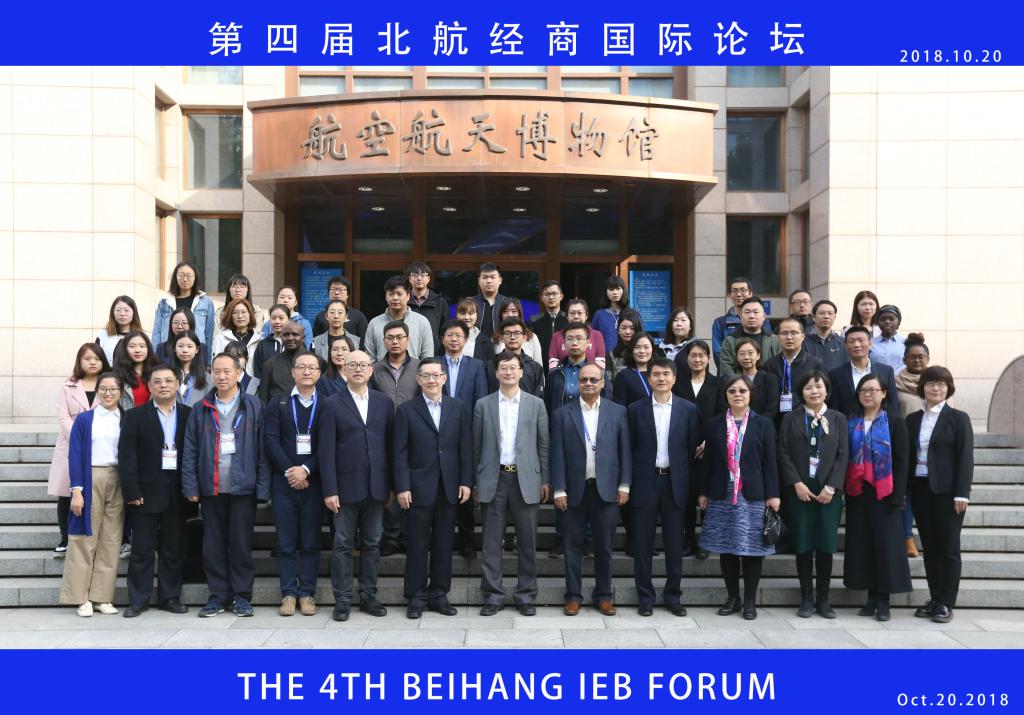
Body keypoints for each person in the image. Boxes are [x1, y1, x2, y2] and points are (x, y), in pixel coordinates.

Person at [182, 352, 270, 618]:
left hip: (243, 487)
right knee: (213, 546)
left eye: (227, 371)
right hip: (212, 488)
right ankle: (218, 596)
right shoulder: (201, 408)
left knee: (241, 545)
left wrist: (262, 488)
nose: (221, 376)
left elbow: (263, 449)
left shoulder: (254, 406)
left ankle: (241, 596)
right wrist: (191, 486)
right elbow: (190, 450)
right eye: (217, 371)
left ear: (238, 373)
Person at [393, 358, 473, 618]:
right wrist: (402, 486)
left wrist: (466, 481)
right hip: (417, 488)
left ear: (444, 378)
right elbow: (400, 453)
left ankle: (439, 594)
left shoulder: (459, 408)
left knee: (443, 543)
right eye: (426, 376)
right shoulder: (406, 410)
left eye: (436, 375)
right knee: (417, 544)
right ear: (418, 379)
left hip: (449, 487)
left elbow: (465, 448)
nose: (431, 380)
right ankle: (416, 596)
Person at [318, 350, 394, 622]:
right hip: (344, 487)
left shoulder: (384, 403)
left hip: (377, 486)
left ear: (371, 370)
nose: (358, 369)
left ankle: (368, 595)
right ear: (345, 370)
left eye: (363, 365)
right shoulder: (331, 404)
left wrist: (392, 485)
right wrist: (330, 489)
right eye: (353, 365)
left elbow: (390, 446)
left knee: (372, 543)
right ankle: (342, 599)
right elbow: (325, 451)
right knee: (342, 544)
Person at [473, 351, 551, 616]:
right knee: (491, 542)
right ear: (496, 373)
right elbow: (476, 446)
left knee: (527, 541)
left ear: (521, 372)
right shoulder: (483, 405)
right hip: (493, 479)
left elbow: (544, 445)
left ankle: (526, 594)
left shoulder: (535, 404)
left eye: (513, 367)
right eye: (503, 368)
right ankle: (493, 595)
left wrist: (545, 480)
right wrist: (475, 480)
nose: (508, 372)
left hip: (525, 479)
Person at [698, 374, 780, 621]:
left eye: (742, 390)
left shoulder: (763, 423)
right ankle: (732, 597)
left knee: (752, 549)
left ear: (750, 394)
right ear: (725, 395)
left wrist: (773, 494)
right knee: (726, 548)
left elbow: (770, 462)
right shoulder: (713, 424)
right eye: (732, 391)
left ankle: (750, 601)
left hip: (752, 494)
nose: (737, 395)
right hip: (721, 493)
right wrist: (702, 491)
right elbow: (707, 462)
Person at [551, 363, 631, 616]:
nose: (588, 383)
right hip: (573, 490)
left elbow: (625, 451)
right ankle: (573, 596)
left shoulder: (617, 412)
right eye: (583, 379)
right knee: (571, 546)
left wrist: (624, 484)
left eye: (593, 380)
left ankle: (603, 596)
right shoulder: (562, 414)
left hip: (606, 490)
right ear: (578, 383)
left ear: (602, 383)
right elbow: (557, 454)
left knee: (604, 546)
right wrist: (559, 489)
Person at [629, 357, 701, 616]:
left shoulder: (688, 409)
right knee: (642, 545)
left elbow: (691, 450)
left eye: (666, 374)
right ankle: (645, 598)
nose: (661, 378)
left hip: (675, 483)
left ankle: (673, 596)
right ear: (649, 379)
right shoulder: (635, 410)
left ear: (674, 378)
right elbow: (630, 447)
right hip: (645, 482)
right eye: (656, 374)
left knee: (674, 544)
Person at [118, 365, 191, 617]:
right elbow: (127, 457)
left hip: (177, 495)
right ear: (149, 386)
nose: (163, 385)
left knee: (173, 550)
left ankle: (169, 598)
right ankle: (138, 600)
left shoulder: (189, 414)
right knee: (142, 550)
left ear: (177, 384)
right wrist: (131, 491)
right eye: (157, 381)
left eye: (169, 381)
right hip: (144, 495)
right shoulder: (135, 416)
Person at [778, 371, 849, 619]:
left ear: (827, 390)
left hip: (828, 492)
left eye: (818, 387)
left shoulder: (838, 419)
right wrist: (796, 483)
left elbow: (843, 455)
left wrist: (832, 487)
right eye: (808, 387)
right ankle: (807, 598)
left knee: (826, 545)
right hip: (800, 492)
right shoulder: (791, 418)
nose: (814, 391)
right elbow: (783, 452)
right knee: (803, 544)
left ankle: (824, 600)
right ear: (801, 392)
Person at [907, 366, 974, 624]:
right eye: (931, 383)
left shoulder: (958, 419)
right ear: (922, 387)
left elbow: (965, 458)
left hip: (948, 494)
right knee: (931, 548)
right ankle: (935, 598)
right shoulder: (913, 420)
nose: (936, 388)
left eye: (942, 384)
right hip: (920, 489)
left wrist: (962, 494)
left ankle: (946, 602)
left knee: (948, 548)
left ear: (949, 388)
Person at [842, 373, 912, 621]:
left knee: (886, 547)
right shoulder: (851, 423)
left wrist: (899, 494)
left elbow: (903, 461)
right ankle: (870, 598)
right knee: (863, 546)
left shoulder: (895, 423)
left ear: (884, 393)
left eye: (873, 390)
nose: (868, 394)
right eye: (863, 390)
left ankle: (883, 600)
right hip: (858, 493)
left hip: (886, 493)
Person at [263, 352, 324, 617]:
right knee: (285, 541)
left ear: (319, 373)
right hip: (283, 481)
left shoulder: (327, 404)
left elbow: (328, 444)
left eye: (312, 367)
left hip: (315, 482)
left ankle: (307, 593)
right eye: (301, 367)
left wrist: (306, 469)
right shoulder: (278, 403)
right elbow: (270, 440)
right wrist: (291, 471)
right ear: (293, 372)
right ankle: (288, 593)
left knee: (310, 541)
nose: (307, 371)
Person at [59, 372, 125, 617]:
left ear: (121, 392)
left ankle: (101, 597)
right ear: (97, 391)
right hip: (91, 477)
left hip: (118, 479)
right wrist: (77, 490)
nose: (108, 393)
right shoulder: (86, 419)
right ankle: (80, 597)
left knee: (111, 539)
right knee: (84, 538)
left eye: (113, 389)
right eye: (103, 389)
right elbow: (75, 454)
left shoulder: (126, 418)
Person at [48, 344, 109, 557]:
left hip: (100, 446)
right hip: (69, 445)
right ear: (79, 361)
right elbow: (63, 416)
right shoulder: (68, 386)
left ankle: (96, 537)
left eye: (97, 359)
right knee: (67, 493)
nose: (92, 362)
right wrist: (79, 436)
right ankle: (65, 538)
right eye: (87, 358)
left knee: (96, 493)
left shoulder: (108, 384)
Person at [439, 319, 489, 559]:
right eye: (450, 335)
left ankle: (467, 540)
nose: (454, 339)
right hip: (438, 433)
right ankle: (444, 539)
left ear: (466, 339)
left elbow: (481, 399)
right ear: (442, 339)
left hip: (466, 433)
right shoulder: (433, 364)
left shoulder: (476, 366)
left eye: (458, 335)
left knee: (464, 484)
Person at [371, 321, 421, 557]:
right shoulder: (374, 369)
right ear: (384, 342)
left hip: (416, 435)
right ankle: (391, 536)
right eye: (390, 338)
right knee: (390, 485)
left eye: (400, 337)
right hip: (384, 435)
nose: (395, 341)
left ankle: (410, 535)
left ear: (408, 340)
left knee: (413, 484)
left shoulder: (420, 367)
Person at [671, 340, 722, 558]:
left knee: (707, 495)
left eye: (702, 355)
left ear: (708, 359)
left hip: (711, 447)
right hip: (684, 448)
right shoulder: (678, 384)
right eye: (693, 355)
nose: (697, 359)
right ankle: (688, 538)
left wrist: (709, 442)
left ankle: (706, 541)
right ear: (687, 358)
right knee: (687, 496)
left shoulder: (718, 383)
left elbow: (722, 415)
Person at [894, 333, 929, 558]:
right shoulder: (895, 383)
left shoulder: (936, 384)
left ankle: (927, 535)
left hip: (929, 450)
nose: (917, 360)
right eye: (912, 356)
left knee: (925, 494)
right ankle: (907, 537)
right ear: (904, 359)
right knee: (905, 494)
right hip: (904, 447)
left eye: (921, 356)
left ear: (928, 359)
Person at [828, 326, 901, 417]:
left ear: (870, 343)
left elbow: (892, 404)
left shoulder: (886, 371)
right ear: (845, 346)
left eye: (861, 340)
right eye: (851, 341)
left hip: (880, 424)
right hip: (849, 424)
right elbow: (834, 408)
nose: (856, 345)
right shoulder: (835, 374)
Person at [762, 317, 824, 421]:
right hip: (776, 420)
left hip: (806, 419)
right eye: (784, 333)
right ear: (778, 337)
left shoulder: (815, 363)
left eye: (794, 333)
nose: (789, 337)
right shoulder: (770, 365)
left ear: (803, 336)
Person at [364, 276, 434, 363]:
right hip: (381, 371)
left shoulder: (422, 322)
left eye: (399, 294)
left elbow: (427, 357)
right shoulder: (374, 323)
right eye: (391, 294)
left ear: (408, 296)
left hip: (413, 371)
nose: (395, 298)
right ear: (386, 297)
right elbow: (369, 359)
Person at [152, 261, 216, 349]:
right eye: (181, 275)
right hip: (168, 351)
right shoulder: (164, 302)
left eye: (189, 276)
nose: (185, 279)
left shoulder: (206, 302)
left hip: (196, 351)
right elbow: (157, 332)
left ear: (195, 278)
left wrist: (207, 356)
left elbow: (209, 334)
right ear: (175, 277)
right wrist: (156, 354)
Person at [712, 277, 771, 368]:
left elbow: (767, 350)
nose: (738, 294)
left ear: (750, 293)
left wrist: (756, 372)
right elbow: (718, 354)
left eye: (743, 290)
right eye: (734, 291)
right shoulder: (719, 323)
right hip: (731, 374)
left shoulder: (764, 321)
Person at [719, 297, 781, 378]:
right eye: (747, 312)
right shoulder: (730, 341)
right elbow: (726, 371)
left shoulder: (775, 340)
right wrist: (740, 384)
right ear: (740, 317)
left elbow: (780, 368)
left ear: (763, 316)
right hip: (738, 385)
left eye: (756, 312)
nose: (751, 316)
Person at [546, 322, 595, 414]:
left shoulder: (597, 374)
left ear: (588, 343)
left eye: (579, 339)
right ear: (564, 344)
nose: (574, 343)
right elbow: (547, 406)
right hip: (559, 422)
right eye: (570, 339)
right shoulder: (554, 374)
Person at [488, 318, 544, 398]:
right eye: (508, 333)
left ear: (524, 338)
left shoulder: (535, 368)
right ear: (501, 338)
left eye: (517, 333)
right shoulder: (490, 366)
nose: (512, 337)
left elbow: (538, 399)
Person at [730, 337, 781, 424]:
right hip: (736, 426)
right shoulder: (732, 381)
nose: (746, 357)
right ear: (737, 357)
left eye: (750, 353)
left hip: (762, 427)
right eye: (742, 354)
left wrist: (755, 426)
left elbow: (771, 408)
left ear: (758, 356)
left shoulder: (769, 379)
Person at [547, 299, 606, 371]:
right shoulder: (557, 336)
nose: (576, 316)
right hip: (564, 376)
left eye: (579, 313)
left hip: (589, 377)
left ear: (586, 315)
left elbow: (600, 365)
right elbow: (553, 364)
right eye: (572, 313)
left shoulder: (597, 335)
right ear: (567, 316)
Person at [258, 321, 309, 403]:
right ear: (281, 337)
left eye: (295, 334)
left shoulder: (316, 363)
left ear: (303, 338)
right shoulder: (270, 365)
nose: (290, 338)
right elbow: (263, 399)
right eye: (286, 335)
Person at [406, 261, 449, 353]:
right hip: (408, 351)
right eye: (415, 275)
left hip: (433, 352)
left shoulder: (440, 302)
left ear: (428, 278)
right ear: (409, 278)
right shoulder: (403, 301)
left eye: (423, 275)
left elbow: (446, 329)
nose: (419, 278)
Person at [312, 276, 368, 341]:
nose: (337, 293)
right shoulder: (320, 316)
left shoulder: (358, 316)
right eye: (333, 289)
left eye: (340, 289)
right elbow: (315, 341)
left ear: (347, 294)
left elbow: (363, 342)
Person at [112, 331, 156, 411]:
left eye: (142, 346)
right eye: (132, 346)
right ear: (125, 349)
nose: (137, 350)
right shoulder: (117, 376)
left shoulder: (157, 374)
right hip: (126, 418)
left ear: (148, 349)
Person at [530, 280, 568, 371]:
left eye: (554, 293)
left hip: (566, 368)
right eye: (547, 294)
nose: (551, 297)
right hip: (541, 368)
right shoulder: (534, 321)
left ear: (561, 296)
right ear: (542, 298)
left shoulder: (568, 320)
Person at [211, 297, 261, 364]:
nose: (240, 316)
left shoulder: (259, 339)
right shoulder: (221, 338)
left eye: (243, 312)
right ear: (230, 316)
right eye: (235, 312)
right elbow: (216, 364)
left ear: (250, 314)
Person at [612, 332, 657, 406]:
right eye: (637, 347)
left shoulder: (659, 373)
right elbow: (619, 407)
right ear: (631, 350)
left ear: (652, 349)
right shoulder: (623, 376)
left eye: (646, 347)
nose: (642, 351)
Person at [96, 295, 143, 364]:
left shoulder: (141, 337)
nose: (122, 314)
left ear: (134, 313)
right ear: (113, 312)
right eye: (118, 310)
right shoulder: (103, 335)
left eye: (126, 310)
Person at [169, 330, 209, 407]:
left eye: (189, 346)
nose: (185, 350)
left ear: (197, 349)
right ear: (174, 348)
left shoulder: (207, 378)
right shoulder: (165, 375)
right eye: (181, 346)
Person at [804, 299, 846, 373]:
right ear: (813, 317)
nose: (826, 316)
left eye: (830, 313)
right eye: (822, 313)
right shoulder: (803, 341)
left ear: (835, 317)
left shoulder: (843, 343)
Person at [252, 304, 291, 380]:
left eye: (281, 318)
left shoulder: (295, 343)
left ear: (289, 319)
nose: (277, 321)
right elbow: (258, 371)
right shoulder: (262, 344)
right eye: (273, 318)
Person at [471, 262, 508, 341]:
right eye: (485, 277)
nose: (489, 281)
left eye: (492, 277)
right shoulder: (470, 303)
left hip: (501, 346)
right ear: (479, 281)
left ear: (500, 280)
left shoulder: (507, 303)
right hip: (474, 346)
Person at [592, 275, 628, 354]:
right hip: (604, 358)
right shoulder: (599, 315)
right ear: (606, 292)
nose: (615, 292)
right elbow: (592, 339)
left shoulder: (630, 314)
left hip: (627, 357)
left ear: (623, 290)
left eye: (618, 289)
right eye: (611, 289)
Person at [454, 298, 496, 364]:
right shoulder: (448, 339)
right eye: (462, 313)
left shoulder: (486, 342)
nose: (467, 317)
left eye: (470, 313)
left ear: (477, 315)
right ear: (456, 315)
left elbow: (490, 368)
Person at [605, 309, 643, 378]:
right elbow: (608, 381)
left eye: (632, 328)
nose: (627, 332)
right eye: (623, 328)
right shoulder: (611, 355)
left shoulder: (645, 353)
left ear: (638, 329)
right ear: (618, 330)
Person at [870, 304, 907, 373]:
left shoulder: (906, 343)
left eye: (891, 319)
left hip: (901, 380)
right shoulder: (870, 343)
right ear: (878, 322)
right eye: (883, 319)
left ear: (898, 322)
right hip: (876, 379)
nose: (887, 322)